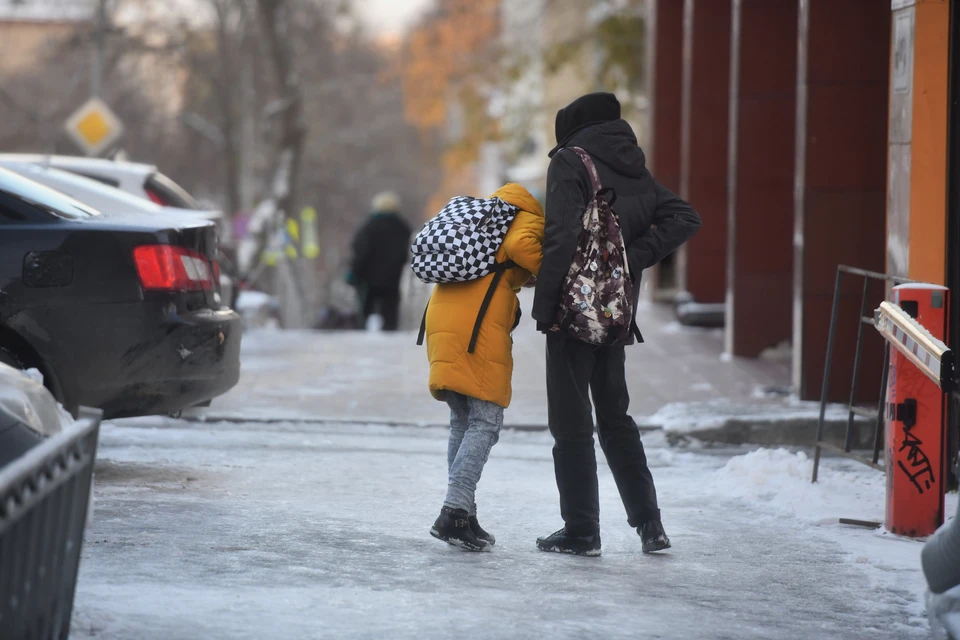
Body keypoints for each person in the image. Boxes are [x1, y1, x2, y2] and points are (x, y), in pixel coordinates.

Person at [532, 92, 701, 556]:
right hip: (616, 312)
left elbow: (561, 236)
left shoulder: (570, 162)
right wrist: (631, 260)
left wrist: (545, 307)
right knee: (616, 418)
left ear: (569, 129)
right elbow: (685, 216)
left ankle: (582, 530)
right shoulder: (634, 167)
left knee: (571, 424)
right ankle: (650, 525)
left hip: (574, 311)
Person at [424, 184, 544, 551]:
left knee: (463, 419)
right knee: (486, 420)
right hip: (476, 328)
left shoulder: (484, 216)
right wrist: (553, 272)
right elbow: (524, 247)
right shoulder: (527, 217)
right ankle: (454, 511)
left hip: (444, 318)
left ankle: (463, 513)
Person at [347, 192, 413, 331]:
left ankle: (362, 335)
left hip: (369, 278)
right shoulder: (402, 227)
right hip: (393, 278)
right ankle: (390, 337)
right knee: (390, 313)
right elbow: (408, 252)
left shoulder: (369, 226)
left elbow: (360, 251)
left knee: (365, 311)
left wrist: (353, 272)